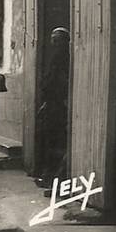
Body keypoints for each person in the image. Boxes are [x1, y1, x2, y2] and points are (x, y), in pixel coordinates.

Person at [39, 27, 70, 181]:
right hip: (52, 103)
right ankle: (49, 174)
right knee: (51, 138)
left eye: (57, 39)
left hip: (59, 104)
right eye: (53, 39)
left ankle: (52, 175)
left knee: (56, 139)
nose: (54, 42)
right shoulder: (56, 57)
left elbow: (58, 82)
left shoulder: (63, 57)